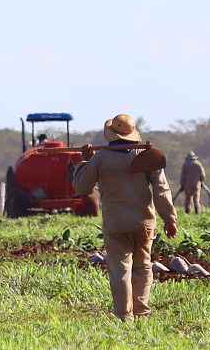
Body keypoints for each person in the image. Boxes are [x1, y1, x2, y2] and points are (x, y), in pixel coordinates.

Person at [71, 114, 177, 320]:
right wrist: (170, 219)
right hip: (144, 223)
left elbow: (81, 187)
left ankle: (124, 317)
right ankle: (142, 314)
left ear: (112, 134)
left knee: (120, 271)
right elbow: (162, 190)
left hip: (116, 224)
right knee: (143, 268)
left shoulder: (100, 158)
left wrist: (85, 161)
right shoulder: (147, 155)